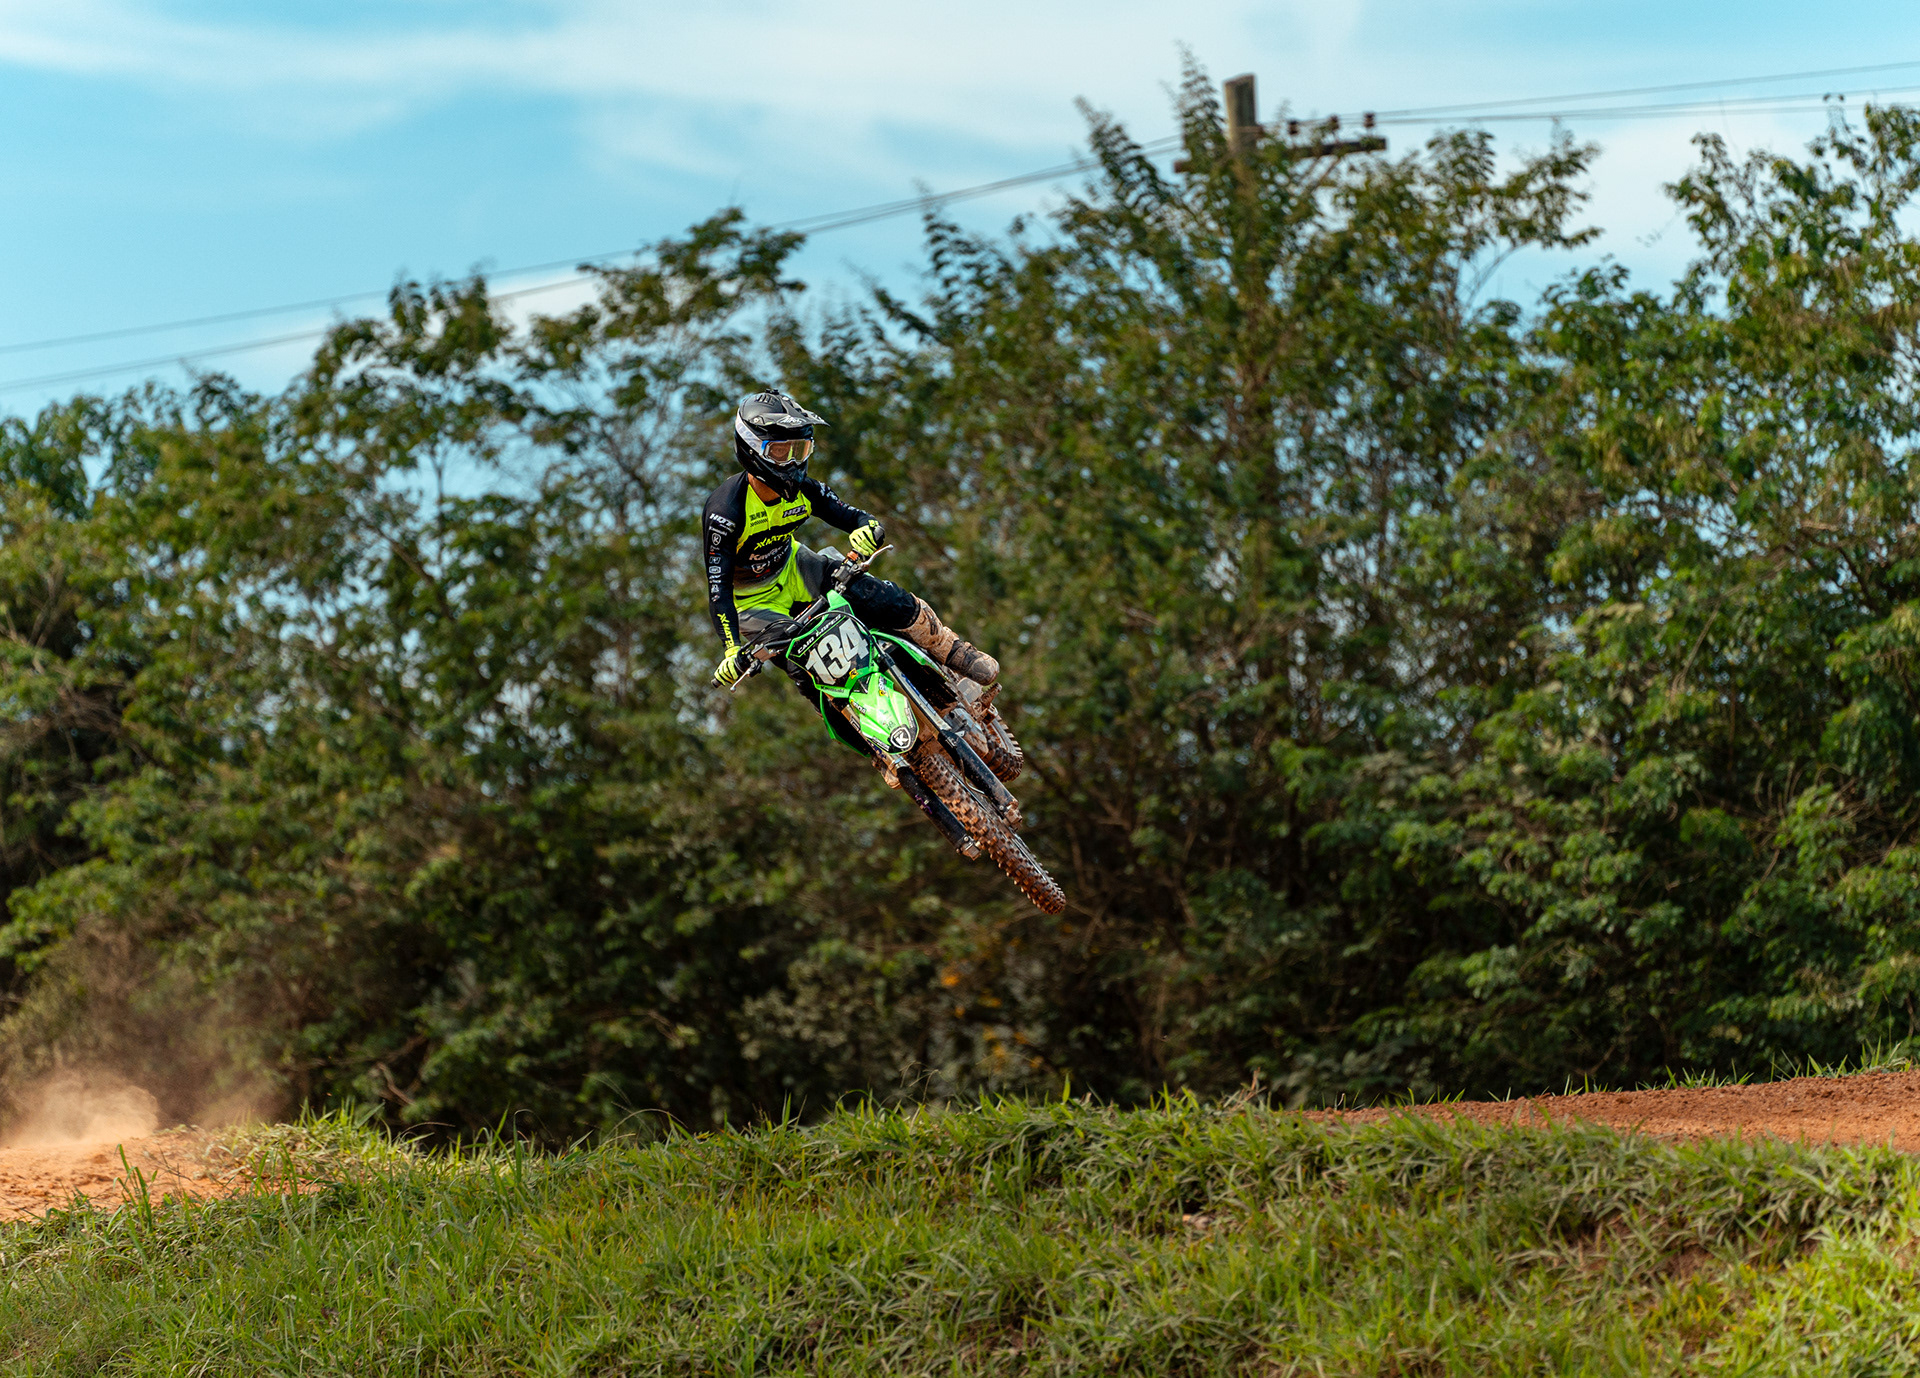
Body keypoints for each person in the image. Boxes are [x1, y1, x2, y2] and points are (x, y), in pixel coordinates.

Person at [704, 389, 998, 752]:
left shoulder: (805, 490)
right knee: (804, 670)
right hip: (751, 604)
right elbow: (717, 588)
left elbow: (858, 518)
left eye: (800, 450)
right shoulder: (725, 512)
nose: (792, 461)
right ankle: (880, 753)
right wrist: (732, 649)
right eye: (780, 451)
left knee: (868, 591)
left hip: (794, 568)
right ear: (752, 449)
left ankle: (952, 650)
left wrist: (867, 531)